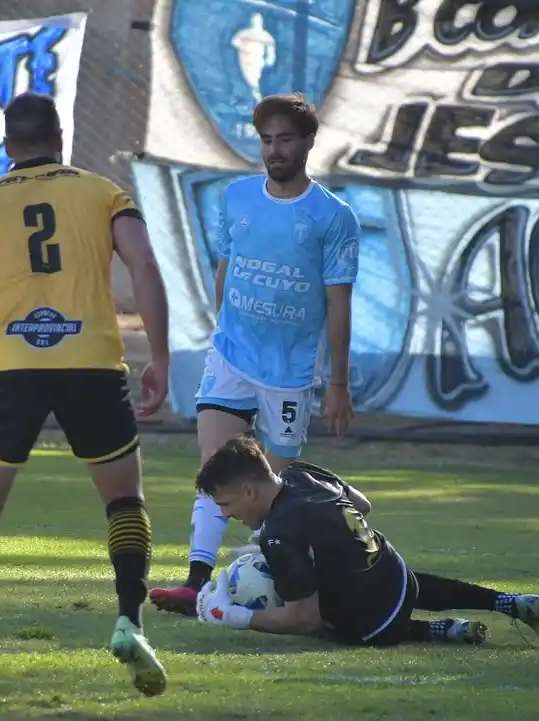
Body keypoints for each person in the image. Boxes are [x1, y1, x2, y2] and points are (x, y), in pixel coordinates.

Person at [0, 93, 171, 696]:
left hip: (11, 369)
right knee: (124, 502)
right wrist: (157, 356)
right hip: (93, 365)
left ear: (7, 145)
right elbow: (145, 268)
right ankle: (130, 620)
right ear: (61, 136)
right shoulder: (103, 193)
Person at [150, 93, 360, 616]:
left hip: (289, 373)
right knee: (214, 469)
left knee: (269, 490)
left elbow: (338, 301)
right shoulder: (238, 197)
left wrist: (338, 383)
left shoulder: (333, 217)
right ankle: (196, 581)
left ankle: (288, 579)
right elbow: (227, 265)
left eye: (285, 139)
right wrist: (225, 325)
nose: (275, 150)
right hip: (231, 355)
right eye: (266, 140)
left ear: (308, 141)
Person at [189, 438, 539, 647]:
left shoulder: (278, 535)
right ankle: (507, 602)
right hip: (396, 573)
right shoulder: (300, 473)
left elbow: (304, 620)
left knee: (333, 624)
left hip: (374, 625)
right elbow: (362, 505)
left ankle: (439, 630)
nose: (229, 515)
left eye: (226, 504)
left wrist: (235, 617)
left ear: (249, 490)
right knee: (382, 583)